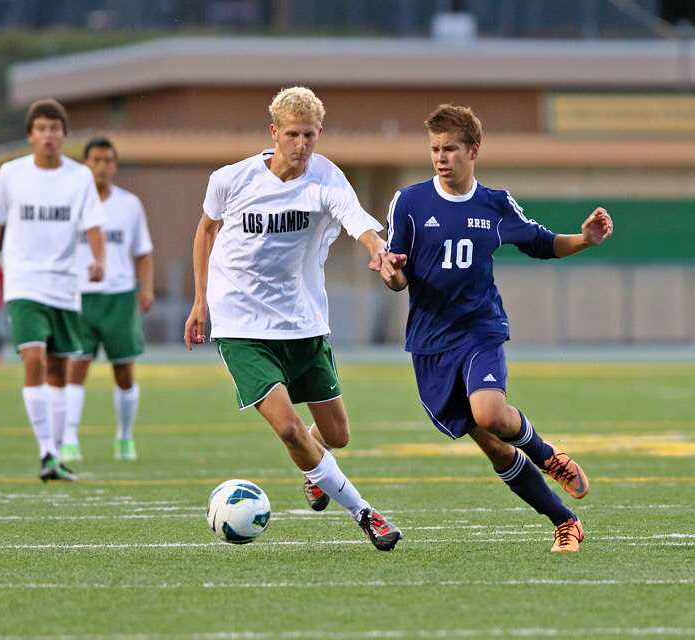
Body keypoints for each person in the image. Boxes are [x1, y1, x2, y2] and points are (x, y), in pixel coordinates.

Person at [376, 104, 613, 552]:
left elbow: (541, 243)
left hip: (480, 329)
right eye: (434, 149)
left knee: (489, 412)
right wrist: (390, 275)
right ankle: (566, 522)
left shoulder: (495, 203)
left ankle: (547, 456)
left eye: (450, 149)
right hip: (430, 341)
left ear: (474, 150)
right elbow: (397, 270)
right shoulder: (409, 202)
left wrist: (585, 239)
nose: (441, 158)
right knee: (497, 448)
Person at [184, 86, 402, 551]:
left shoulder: (325, 177)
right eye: (293, 135)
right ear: (274, 133)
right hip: (241, 327)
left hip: (302, 322)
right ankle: (366, 513)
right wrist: (200, 301)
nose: (302, 145)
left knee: (336, 436)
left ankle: (314, 468)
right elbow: (205, 231)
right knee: (287, 428)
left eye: (310, 135)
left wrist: (377, 250)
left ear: (319, 134)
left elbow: (355, 218)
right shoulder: (231, 179)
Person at [0, 98, 106, 482]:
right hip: (23, 282)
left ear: (64, 136)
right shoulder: (11, 174)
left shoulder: (79, 176)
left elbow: (94, 224)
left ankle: (56, 456)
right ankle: (46, 451)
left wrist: (98, 260)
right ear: (30, 135)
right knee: (33, 359)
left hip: (64, 286)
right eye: (41, 128)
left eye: (55, 128)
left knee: (59, 369)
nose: (48, 135)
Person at [63, 137, 154, 463]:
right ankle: (69, 438)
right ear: (85, 164)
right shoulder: (71, 204)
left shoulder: (129, 204)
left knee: (124, 370)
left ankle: (125, 436)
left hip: (119, 297)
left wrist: (146, 288)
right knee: (76, 366)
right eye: (97, 160)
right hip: (80, 297)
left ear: (115, 165)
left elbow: (143, 252)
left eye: (109, 160)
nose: (103, 166)